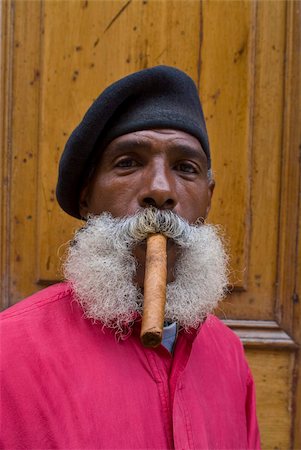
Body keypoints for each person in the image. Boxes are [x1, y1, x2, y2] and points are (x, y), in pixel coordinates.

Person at [0, 66, 261, 449]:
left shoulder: (229, 356)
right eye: (128, 162)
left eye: (185, 168)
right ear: (87, 196)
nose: (160, 190)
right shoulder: (9, 353)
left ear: (209, 196)